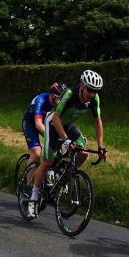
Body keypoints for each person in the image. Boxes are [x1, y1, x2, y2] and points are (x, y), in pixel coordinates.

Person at [28, 70, 107, 218]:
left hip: (68, 125)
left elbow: (97, 121)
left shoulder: (94, 99)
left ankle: (63, 178)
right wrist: (66, 140)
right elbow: (56, 117)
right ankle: (33, 198)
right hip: (53, 124)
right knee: (46, 162)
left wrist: (100, 146)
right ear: (82, 86)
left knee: (83, 153)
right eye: (89, 89)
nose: (91, 93)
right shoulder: (69, 94)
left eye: (95, 91)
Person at [22, 82, 67, 165]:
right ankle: (28, 178)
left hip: (45, 123)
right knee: (36, 153)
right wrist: (51, 136)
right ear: (52, 95)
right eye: (58, 99)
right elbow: (38, 124)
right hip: (30, 123)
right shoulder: (41, 99)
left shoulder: (59, 105)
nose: (59, 102)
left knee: (55, 152)